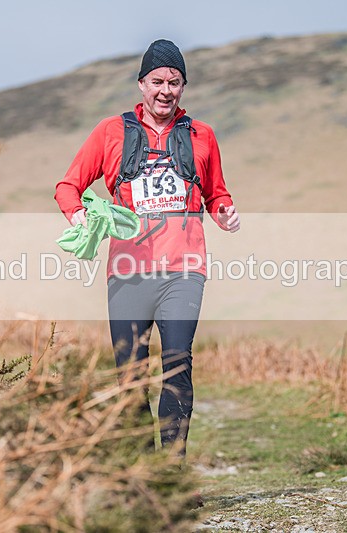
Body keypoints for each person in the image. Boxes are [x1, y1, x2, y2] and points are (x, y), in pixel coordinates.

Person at [55, 39, 240, 457]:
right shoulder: (110, 132)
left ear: (183, 87)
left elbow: (216, 193)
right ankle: (142, 473)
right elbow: (68, 186)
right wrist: (78, 216)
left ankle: (171, 470)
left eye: (174, 82)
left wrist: (225, 212)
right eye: (157, 81)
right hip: (128, 271)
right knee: (130, 375)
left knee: (177, 364)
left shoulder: (203, 135)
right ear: (141, 84)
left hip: (183, 270)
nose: (165, 91)